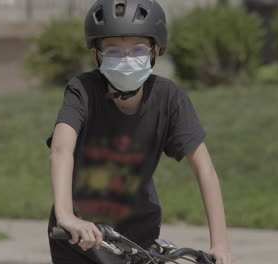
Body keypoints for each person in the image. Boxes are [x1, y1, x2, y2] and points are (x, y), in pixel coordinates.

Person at [46, 0, 232, 263]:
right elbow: (62, 150)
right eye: (112, 50)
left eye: (138, 49)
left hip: (138, 238)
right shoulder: (82, 91)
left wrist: (220, 245)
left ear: (155, 51)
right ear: (95, 55)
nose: (126, 59)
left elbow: (205, 169)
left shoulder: (169, 98)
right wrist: (66, 216)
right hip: (80, 236)